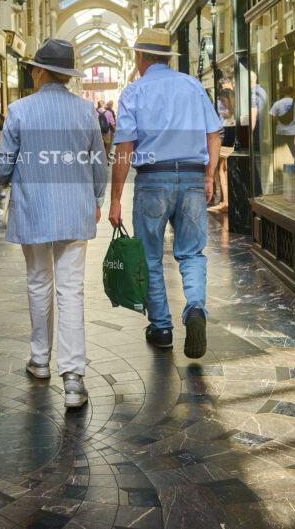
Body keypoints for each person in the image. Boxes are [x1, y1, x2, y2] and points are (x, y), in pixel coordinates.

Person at [0, 39, 107, 408]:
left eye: (31, 69)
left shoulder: (19, 110)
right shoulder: (86, 111)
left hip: (33, 210)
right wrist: (97, 199)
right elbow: (98, 163)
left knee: (39, 282)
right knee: (71, 290)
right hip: (75, 210)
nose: (31, 74)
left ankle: (40, 360)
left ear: (41, 72)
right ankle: (73, 378)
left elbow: (3, 165)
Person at [109, 27, 222, 359]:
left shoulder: (133, 92)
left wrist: (115, 197)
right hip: (191, 178)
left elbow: (124, 148)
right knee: (191, 253)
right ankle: (195, 309)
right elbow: (213, 135)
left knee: (150, 257)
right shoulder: (192, 85)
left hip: (152, 181)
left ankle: (161, 328)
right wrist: (210, 175)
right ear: (167, 57)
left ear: (140, 57)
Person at [270, 86, 295, 161]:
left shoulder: (277, 103)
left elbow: (272, 117)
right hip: (292, 131)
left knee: (280, 149)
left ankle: (281, 163)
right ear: (292, 93)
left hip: (280, 131)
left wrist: (278, 122)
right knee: (293, 147)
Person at [250, 72, 269, 193]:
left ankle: (257, 192)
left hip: (255, 132)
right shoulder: (262, 91)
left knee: (254, 164)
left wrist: (249, 134)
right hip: (261, 130)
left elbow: (253, 115)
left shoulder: (254, 93)